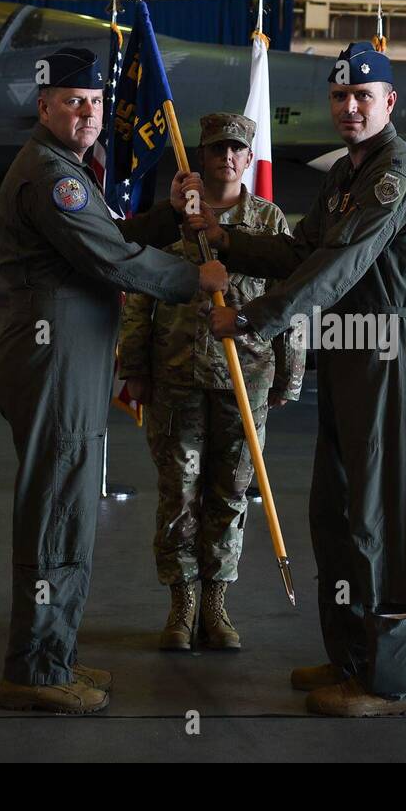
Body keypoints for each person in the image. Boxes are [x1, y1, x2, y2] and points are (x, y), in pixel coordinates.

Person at [191, 42, 406, 717]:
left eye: (364, 95)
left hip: (388, 356)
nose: (350, 106)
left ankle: (391, 681)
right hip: (349, 355)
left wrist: (254, 320)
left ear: (389, 102)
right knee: (336, 513)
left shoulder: (395, 176)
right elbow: (303, 250)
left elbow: (342, 265)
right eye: (339, 96)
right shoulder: (346, 176)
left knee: (378, 518)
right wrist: (229, 239)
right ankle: (351, 655)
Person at [0, 47, 228, 714]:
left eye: (94, 101)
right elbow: (109, 256)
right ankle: (34, 669)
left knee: (66, 504)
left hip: (68, 351)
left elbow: (109, 232)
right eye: (72, 100)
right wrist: (192, 276)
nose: (88, 112)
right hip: (53, 352)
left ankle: (52, 652)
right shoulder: (51, 174)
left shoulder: (66, 168)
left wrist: (169, 221)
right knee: (57, 511)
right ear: (45, 107)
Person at [119, 113, 305, 652]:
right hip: (175, 377)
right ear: (201, 157)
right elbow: (139, 293)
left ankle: (217, 604)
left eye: (236, 150)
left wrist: (289, 377)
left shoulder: (268, 222)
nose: (227, 157)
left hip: (244, 381)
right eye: (217, 149)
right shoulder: (177, 219)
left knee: (231, 495)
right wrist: (134, 368)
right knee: (178, 495)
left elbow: (289, 300)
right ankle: (182, 606)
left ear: (249, 160)